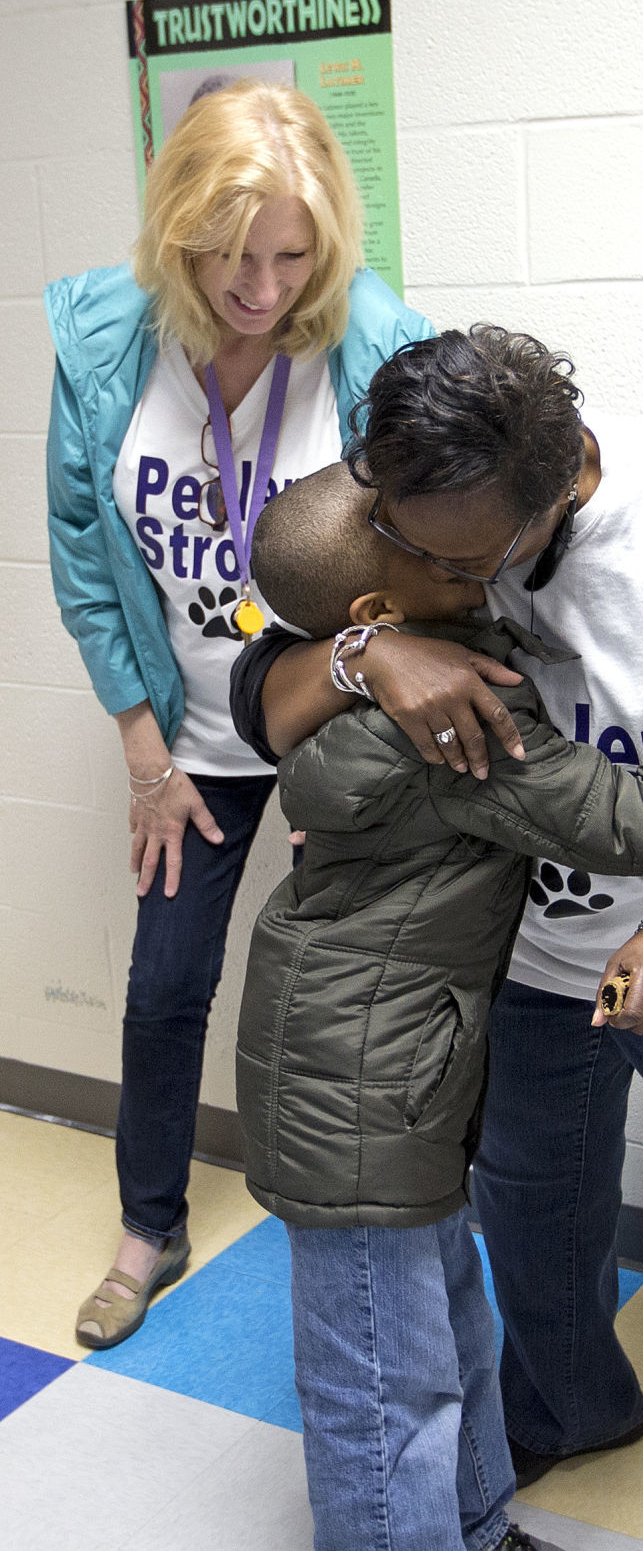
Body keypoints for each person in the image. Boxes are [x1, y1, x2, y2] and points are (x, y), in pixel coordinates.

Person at [230, 324, 643, 1551]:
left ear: (552, 486)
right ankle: (573, 1405)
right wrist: (370, 651)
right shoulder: (408, 490)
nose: (428, 569)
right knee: (528, 1198)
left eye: (460, 562)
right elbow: (267, 678)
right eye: (399, 541)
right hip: (529, 944)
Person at [44, 80, 438, 1349]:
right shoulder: (107, 343)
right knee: (166, 987)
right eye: (227, 253)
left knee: (352, 994)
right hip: (190, 735)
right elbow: (82, 552)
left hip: (328, 712)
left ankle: (390, 1236)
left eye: (290, 252)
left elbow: (431, 546)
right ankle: (147, 1229)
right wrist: (143, 753)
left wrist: (369, 736)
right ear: (176, 229)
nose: (260, 287)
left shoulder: (371, 341)